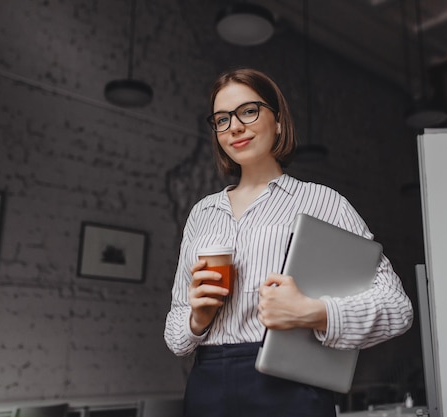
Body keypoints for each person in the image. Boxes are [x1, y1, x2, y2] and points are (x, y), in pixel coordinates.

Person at [164, 68, 413, 417]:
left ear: (279, 121)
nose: (234, 126)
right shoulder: (201, 214)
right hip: (207, 391)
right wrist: (197, 318)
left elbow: (397, 308)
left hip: (291, 390)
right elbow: (176, 336)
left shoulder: (323, 203)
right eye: (221, 119)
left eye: (248, 111)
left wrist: (313, 312)